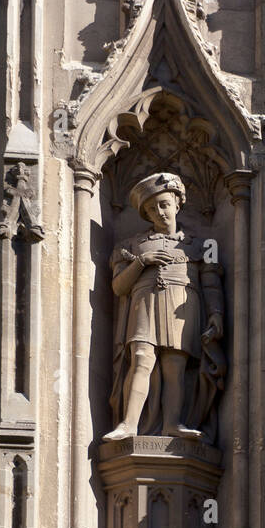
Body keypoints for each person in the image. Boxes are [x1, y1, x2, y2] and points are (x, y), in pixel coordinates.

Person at [104, 171, 225, 443]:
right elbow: (119, 288)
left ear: (177, 204)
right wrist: (141, 261)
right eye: (151, 208)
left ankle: (173, 423)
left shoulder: (205, 245)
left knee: (174, 365)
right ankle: (128, 424)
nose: (159, 212)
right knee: (142, 361)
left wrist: (217, 314)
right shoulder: (130, 245)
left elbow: (211, 282)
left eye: (164, 204)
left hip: (182, 304)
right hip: (144, 303)